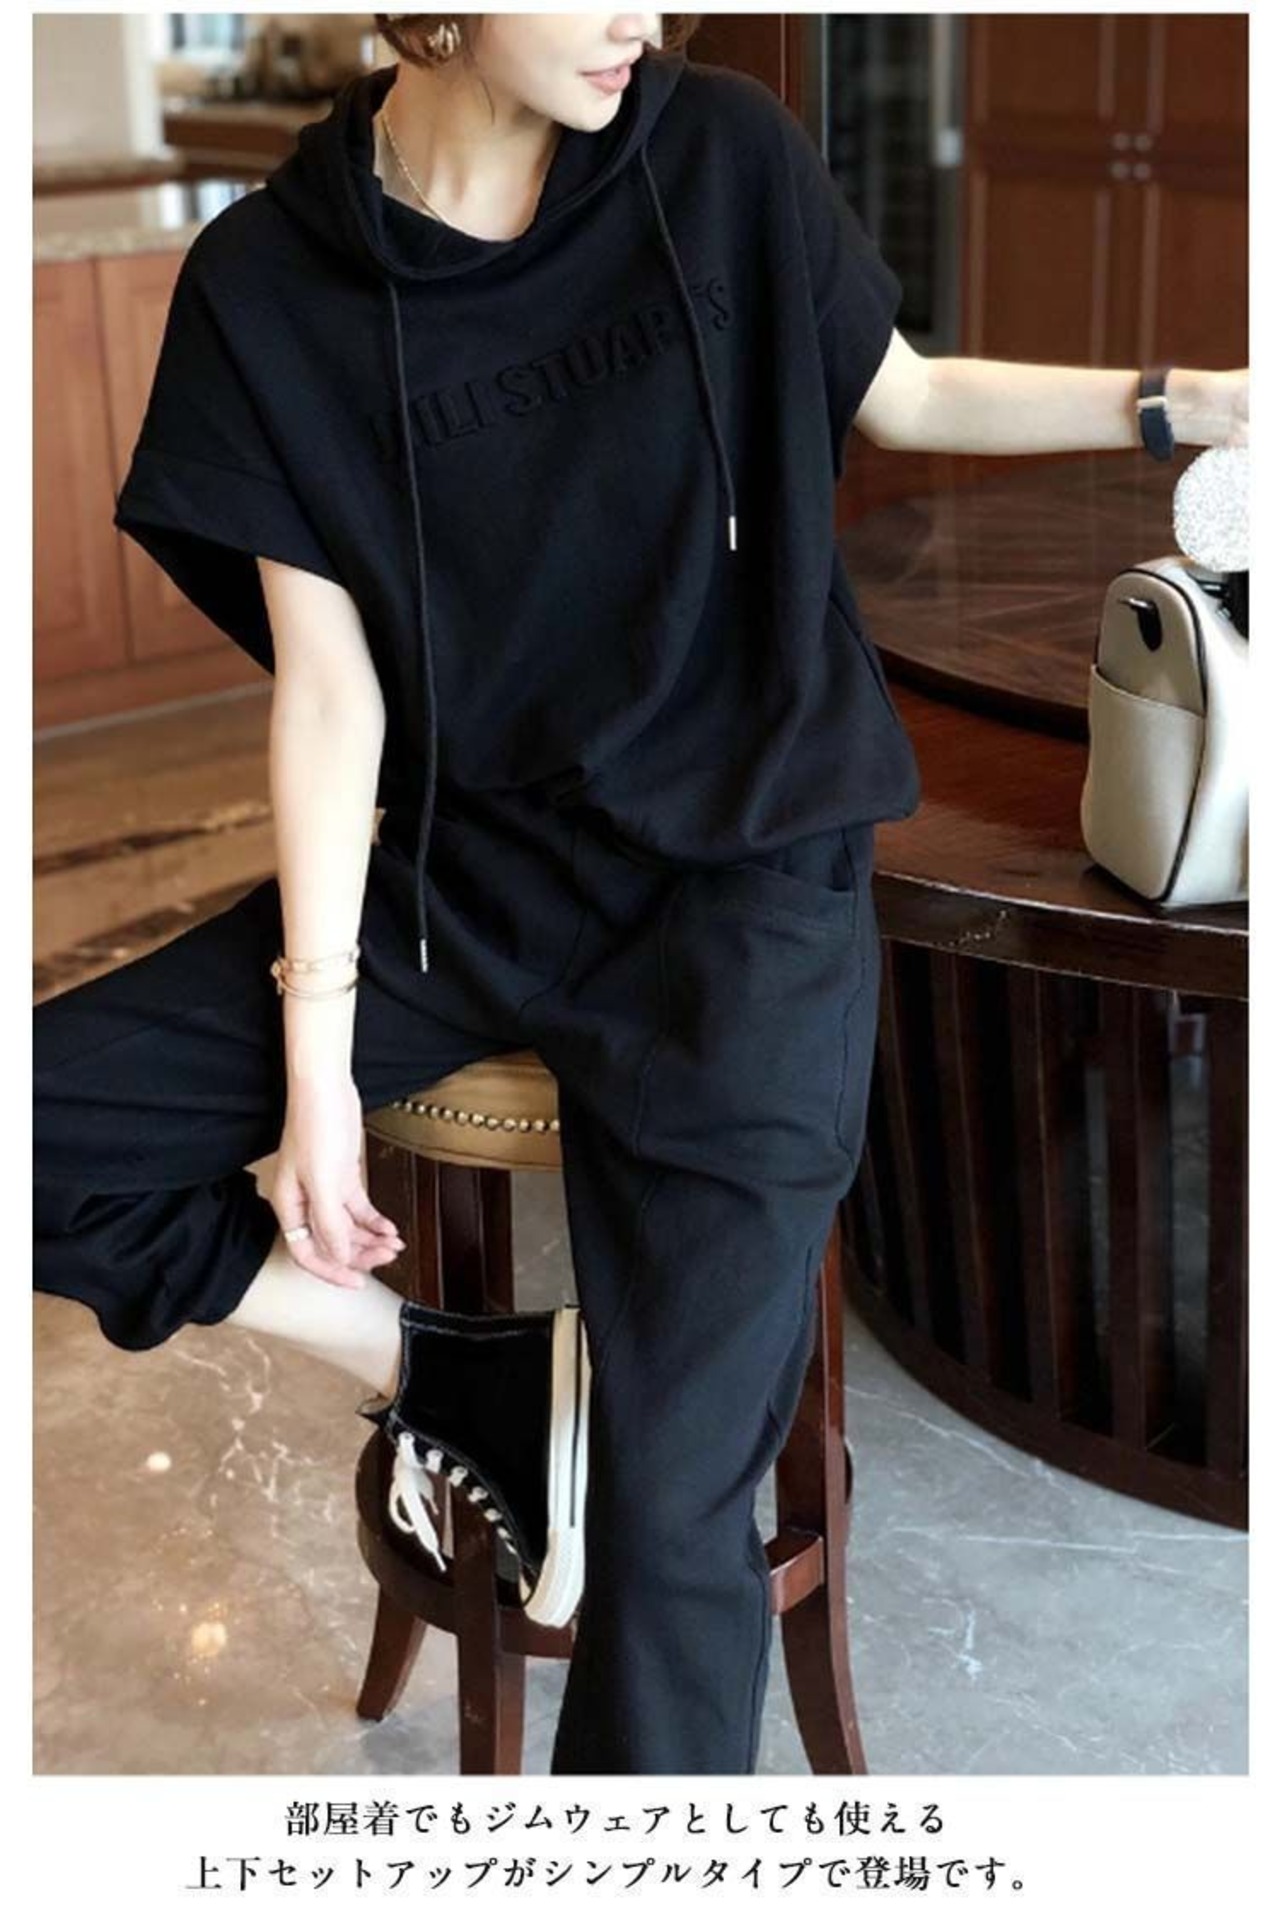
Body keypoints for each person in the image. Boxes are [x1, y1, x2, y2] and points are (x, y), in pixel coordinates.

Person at [33, 12, 1248, 1776]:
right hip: (461, 876)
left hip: (745, 888)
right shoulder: (267, 284)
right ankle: (454, 1369)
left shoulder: (721, 155)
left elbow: (900, 391)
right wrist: (318, 1079)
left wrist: (1187, 399)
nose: (645, 19)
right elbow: (331, 689)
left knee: (673, 1533)